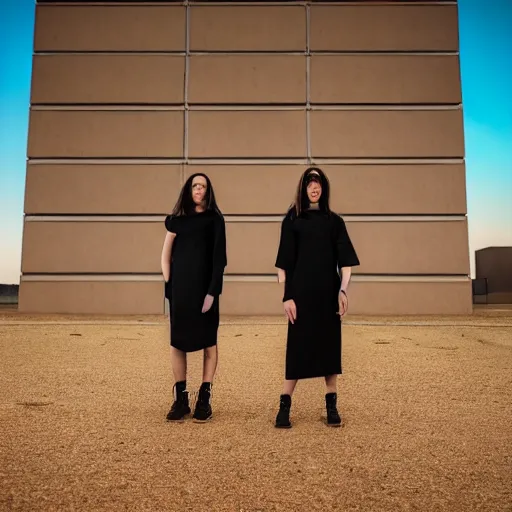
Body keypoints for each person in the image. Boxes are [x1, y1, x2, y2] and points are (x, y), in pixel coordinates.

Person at [274, 166, 360, 428]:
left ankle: (331, 404)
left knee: (329, 349)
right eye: (310, 182)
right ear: (303, 187)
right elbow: (283, 265)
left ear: (324, 188)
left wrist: (342, 290)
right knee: (297, 349)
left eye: (318, 182)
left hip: (327, 295)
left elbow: (345, 263)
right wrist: (286, 297)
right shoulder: (292, 219)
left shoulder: (335, 222)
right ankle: (284, 406)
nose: (314, 186)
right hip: (300, 296)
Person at [161, 172, 227, 423]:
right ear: (188, 190)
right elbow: (165, 257)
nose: (198, 189)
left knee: (209, 342)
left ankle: (204, 398)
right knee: (178, 343)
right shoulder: (177, 221)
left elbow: (219, 260)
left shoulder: (215, 220)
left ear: (208, 192)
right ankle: (181, 400)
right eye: (194, 185)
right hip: (180, 291)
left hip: (205, 292)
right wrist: (170, 286)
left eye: (203, 186)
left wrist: (212, 291)